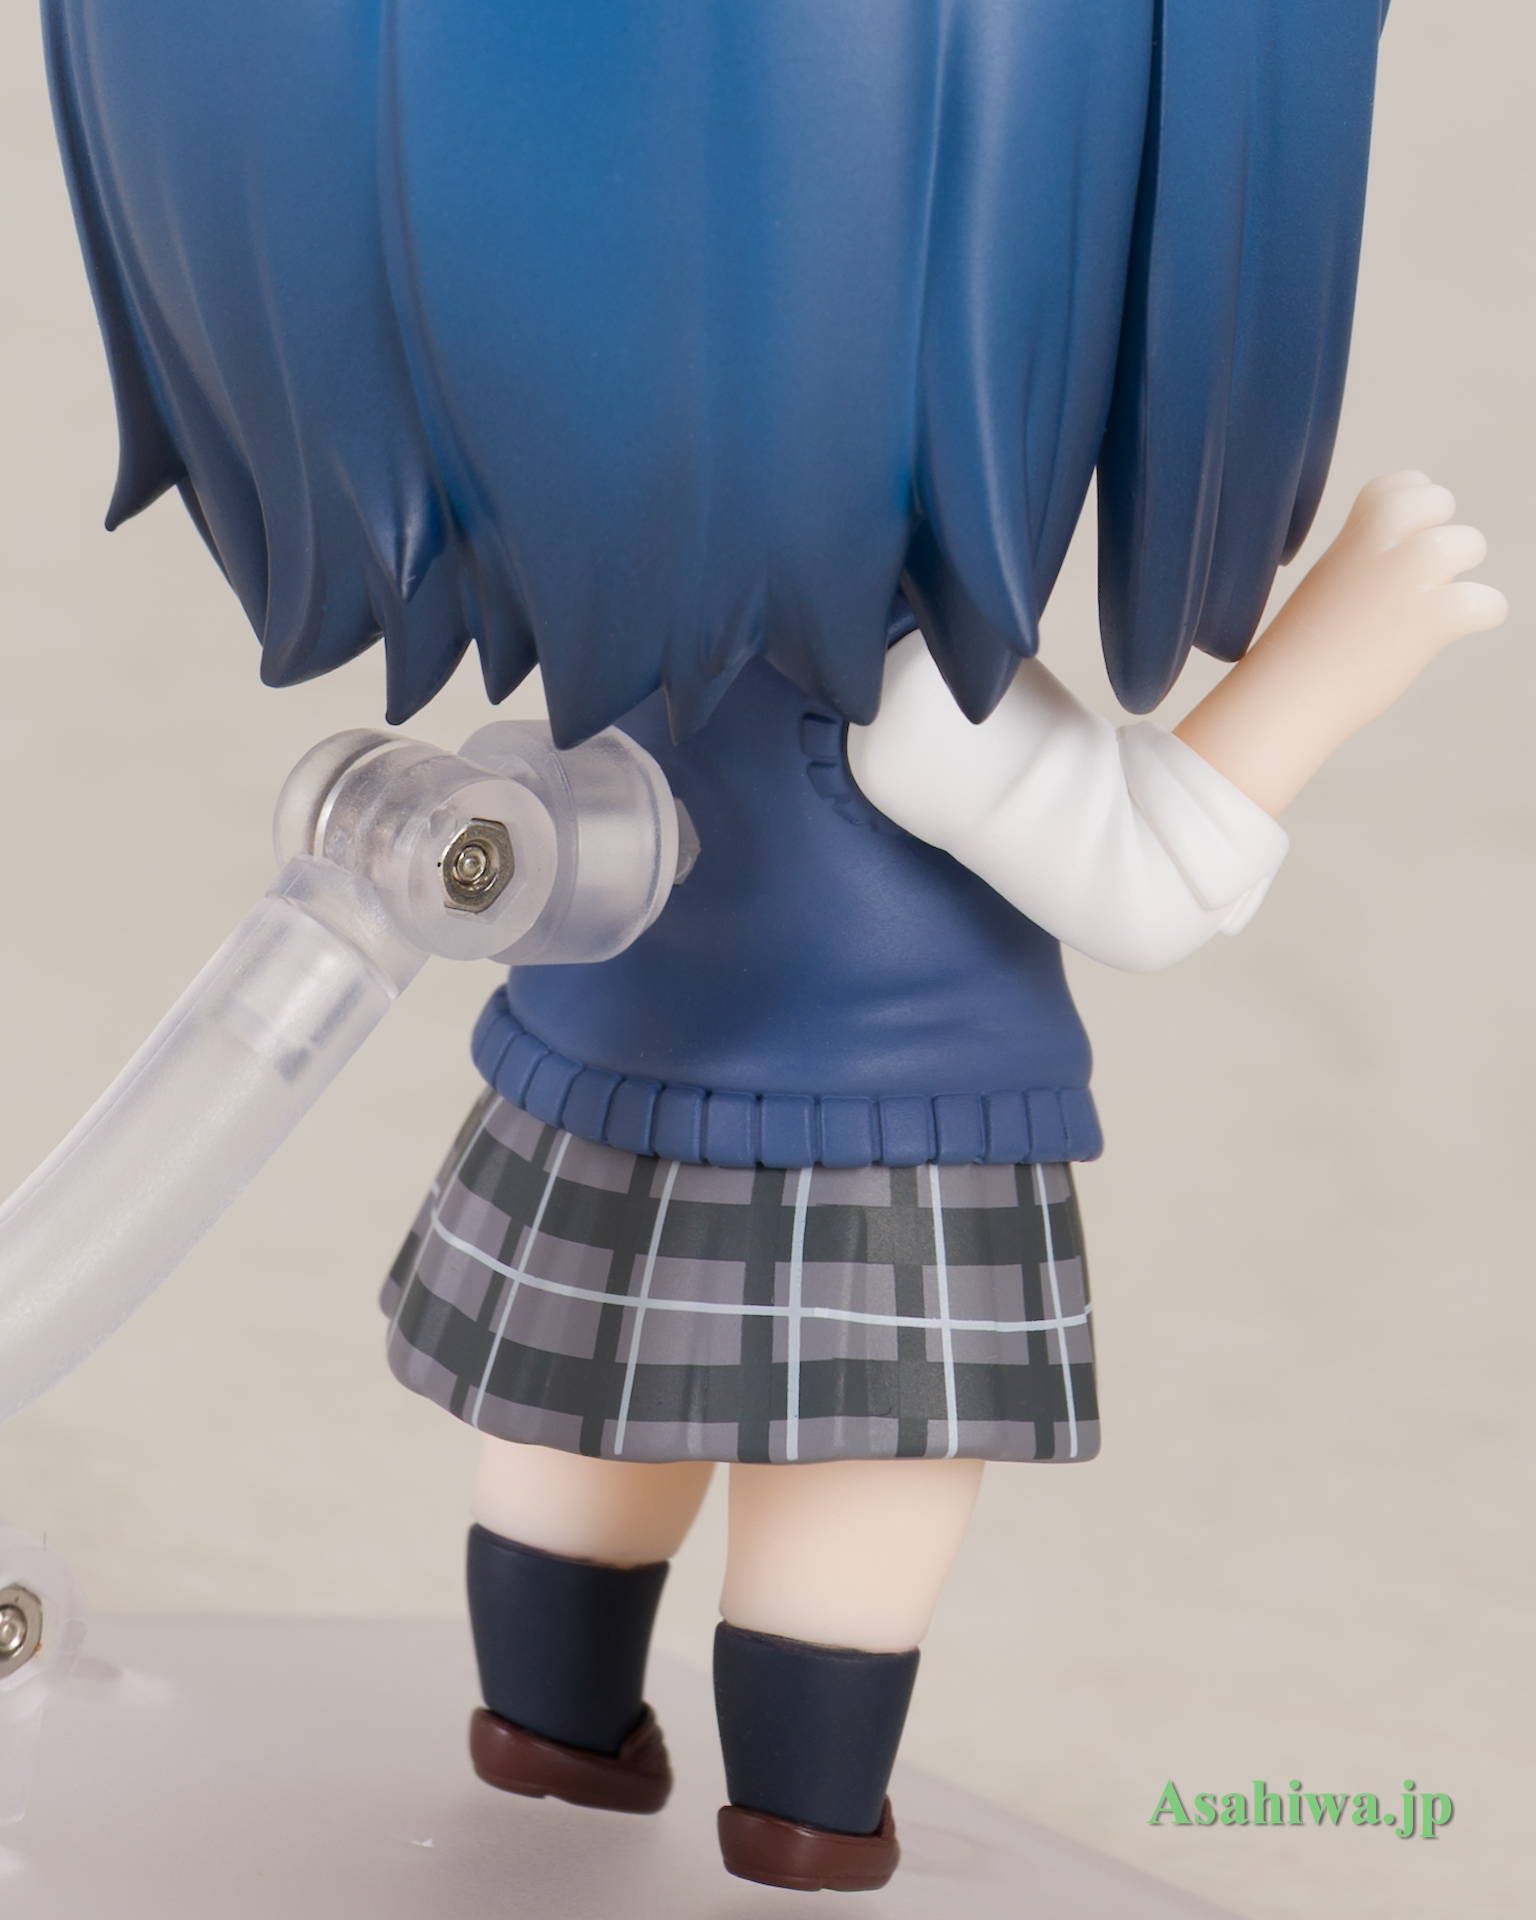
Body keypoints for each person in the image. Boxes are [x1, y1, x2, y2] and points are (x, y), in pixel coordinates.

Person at [43, 0, 1501, 1893]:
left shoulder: (603, 641)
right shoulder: (914, 700)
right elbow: (1149, 882)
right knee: (852, 1484)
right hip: (885, 1147)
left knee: (582, 1420)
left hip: (595, 1098)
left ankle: (550, 1725)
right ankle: (799, 1808)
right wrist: (1333, 663)